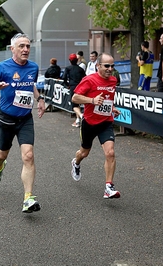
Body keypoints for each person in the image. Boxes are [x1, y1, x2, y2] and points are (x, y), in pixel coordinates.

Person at [0, 33, 45, 213]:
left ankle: (28, 198)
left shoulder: (33, 67)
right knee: (2, 154)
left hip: (25, 119)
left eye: (28, 46)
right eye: (21, 46)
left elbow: (30, 85)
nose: (25, 49)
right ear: (12, 49)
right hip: (6, 119)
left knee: (28, 156)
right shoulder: (2, 67)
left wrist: (40, 99)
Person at [71, 52, 121, 199]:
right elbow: (75, 97)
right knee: (84, 153)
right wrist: (92, 101)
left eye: (112, 66)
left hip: (105, 122)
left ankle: (108, 187)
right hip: (90, 123)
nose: (110, 69)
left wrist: (112, 108)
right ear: (98, 66)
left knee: (110, 152)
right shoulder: (89, 80)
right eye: (107, 66)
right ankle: (76, 162)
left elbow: (107, 99)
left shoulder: (113, 80)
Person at [63, 53, 86, 127]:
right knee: (78, 103)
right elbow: (85, 78)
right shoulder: (81, 69)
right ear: (76, 60)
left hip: (73, 87)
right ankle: (78, 120)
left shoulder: (68, 68)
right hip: (80, 88)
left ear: (70, 60)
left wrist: (67, 85)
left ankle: (81, 116)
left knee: (74, 105)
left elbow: (64, 78)